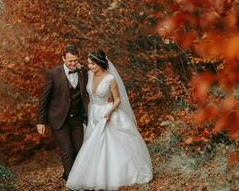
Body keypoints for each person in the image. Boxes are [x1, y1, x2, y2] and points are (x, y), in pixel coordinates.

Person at [66, 50, 153, 190]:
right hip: (93, 113)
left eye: (93, 64)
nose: (90, 66)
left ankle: (114, 175)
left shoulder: (110, 78)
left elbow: (117, 99)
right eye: (88, 63)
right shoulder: (88, 74)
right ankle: (91, 175)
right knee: (92, 144)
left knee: (108, 144)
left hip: (107, 113)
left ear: (100, 64)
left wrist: (110, 112)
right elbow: (78, 70)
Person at [36, 45, 89, 182]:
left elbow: (93, 87)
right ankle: (72, 182)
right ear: (63, 58)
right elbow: (44, 99)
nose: (73, 64)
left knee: (80, 151)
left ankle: (72, 175)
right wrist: (41, 121)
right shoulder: (53, 74)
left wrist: (109, 96)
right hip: (59, 119)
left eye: (75, 60)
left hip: (77, 118)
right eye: (70, 61)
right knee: (67, 151)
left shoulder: (83, 72)